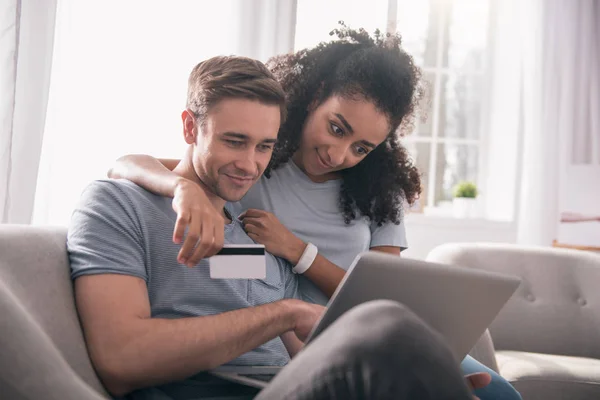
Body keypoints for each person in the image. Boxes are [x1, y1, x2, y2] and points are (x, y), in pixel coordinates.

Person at [107, 26, 520, 399]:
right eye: (337, 128)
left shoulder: (377, 192)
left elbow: (380, 298)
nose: (339, 154)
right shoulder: (255, 167)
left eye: (362, 148)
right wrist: (181, 190)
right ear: (315, 94)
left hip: (359, 328)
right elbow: (144, 167)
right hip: (304, 338)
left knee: (499, 393)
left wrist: (299, 253)